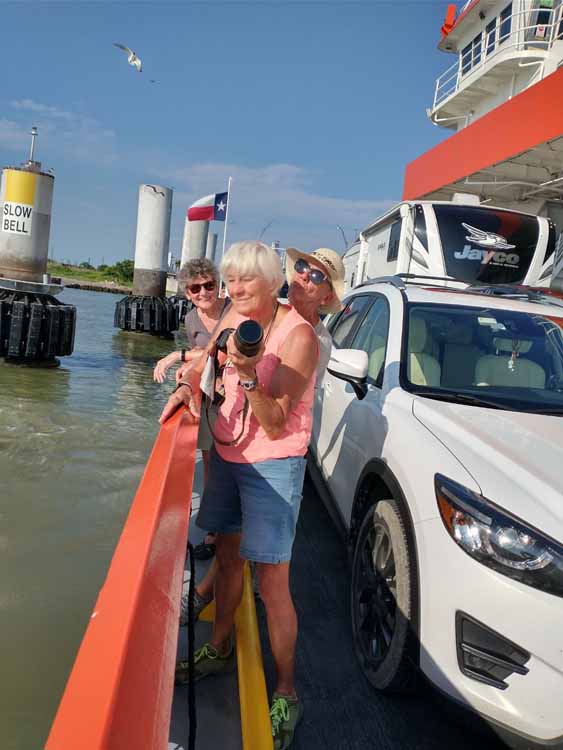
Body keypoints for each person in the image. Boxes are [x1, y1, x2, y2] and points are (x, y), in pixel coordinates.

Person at [160, 241, 321, 750]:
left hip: (272, 466)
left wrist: (249, 374)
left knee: (272, 582)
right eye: (228, 281)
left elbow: (275, 425)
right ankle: (221, 646)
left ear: (272, 281)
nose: (232, 290)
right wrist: (187, 386)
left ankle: (287, 690)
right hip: (228, 459)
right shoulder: (233, 313)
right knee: (227, 558)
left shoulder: (298, 335)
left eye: (242, 281)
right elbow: (203, 364)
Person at [180, 246, 345, 622]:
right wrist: (188, 378)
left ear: (327, 295)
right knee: (229, 547)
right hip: (235, 448)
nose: (305, 276)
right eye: (302, 267)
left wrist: (248, 371)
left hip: (274, 451)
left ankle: (283, 679)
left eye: (318, 276)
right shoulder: (256, 312)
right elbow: (209, 353)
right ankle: (210, 599)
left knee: (269, 574)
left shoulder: (311, 340)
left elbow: (278, 417)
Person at [153, 257, 228, 562]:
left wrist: (177, 355)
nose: (203, 293)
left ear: (217, 284)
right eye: (195, 288)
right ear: (187, 293)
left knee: (233, 464)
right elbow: (201, 360)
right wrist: (186, 374)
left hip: (238, 394)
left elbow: (225, 351)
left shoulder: (231, 311)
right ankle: (213, 529)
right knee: (210, 461)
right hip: (210, 395)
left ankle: (229, 528)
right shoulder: (191, 320)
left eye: (209, 285)